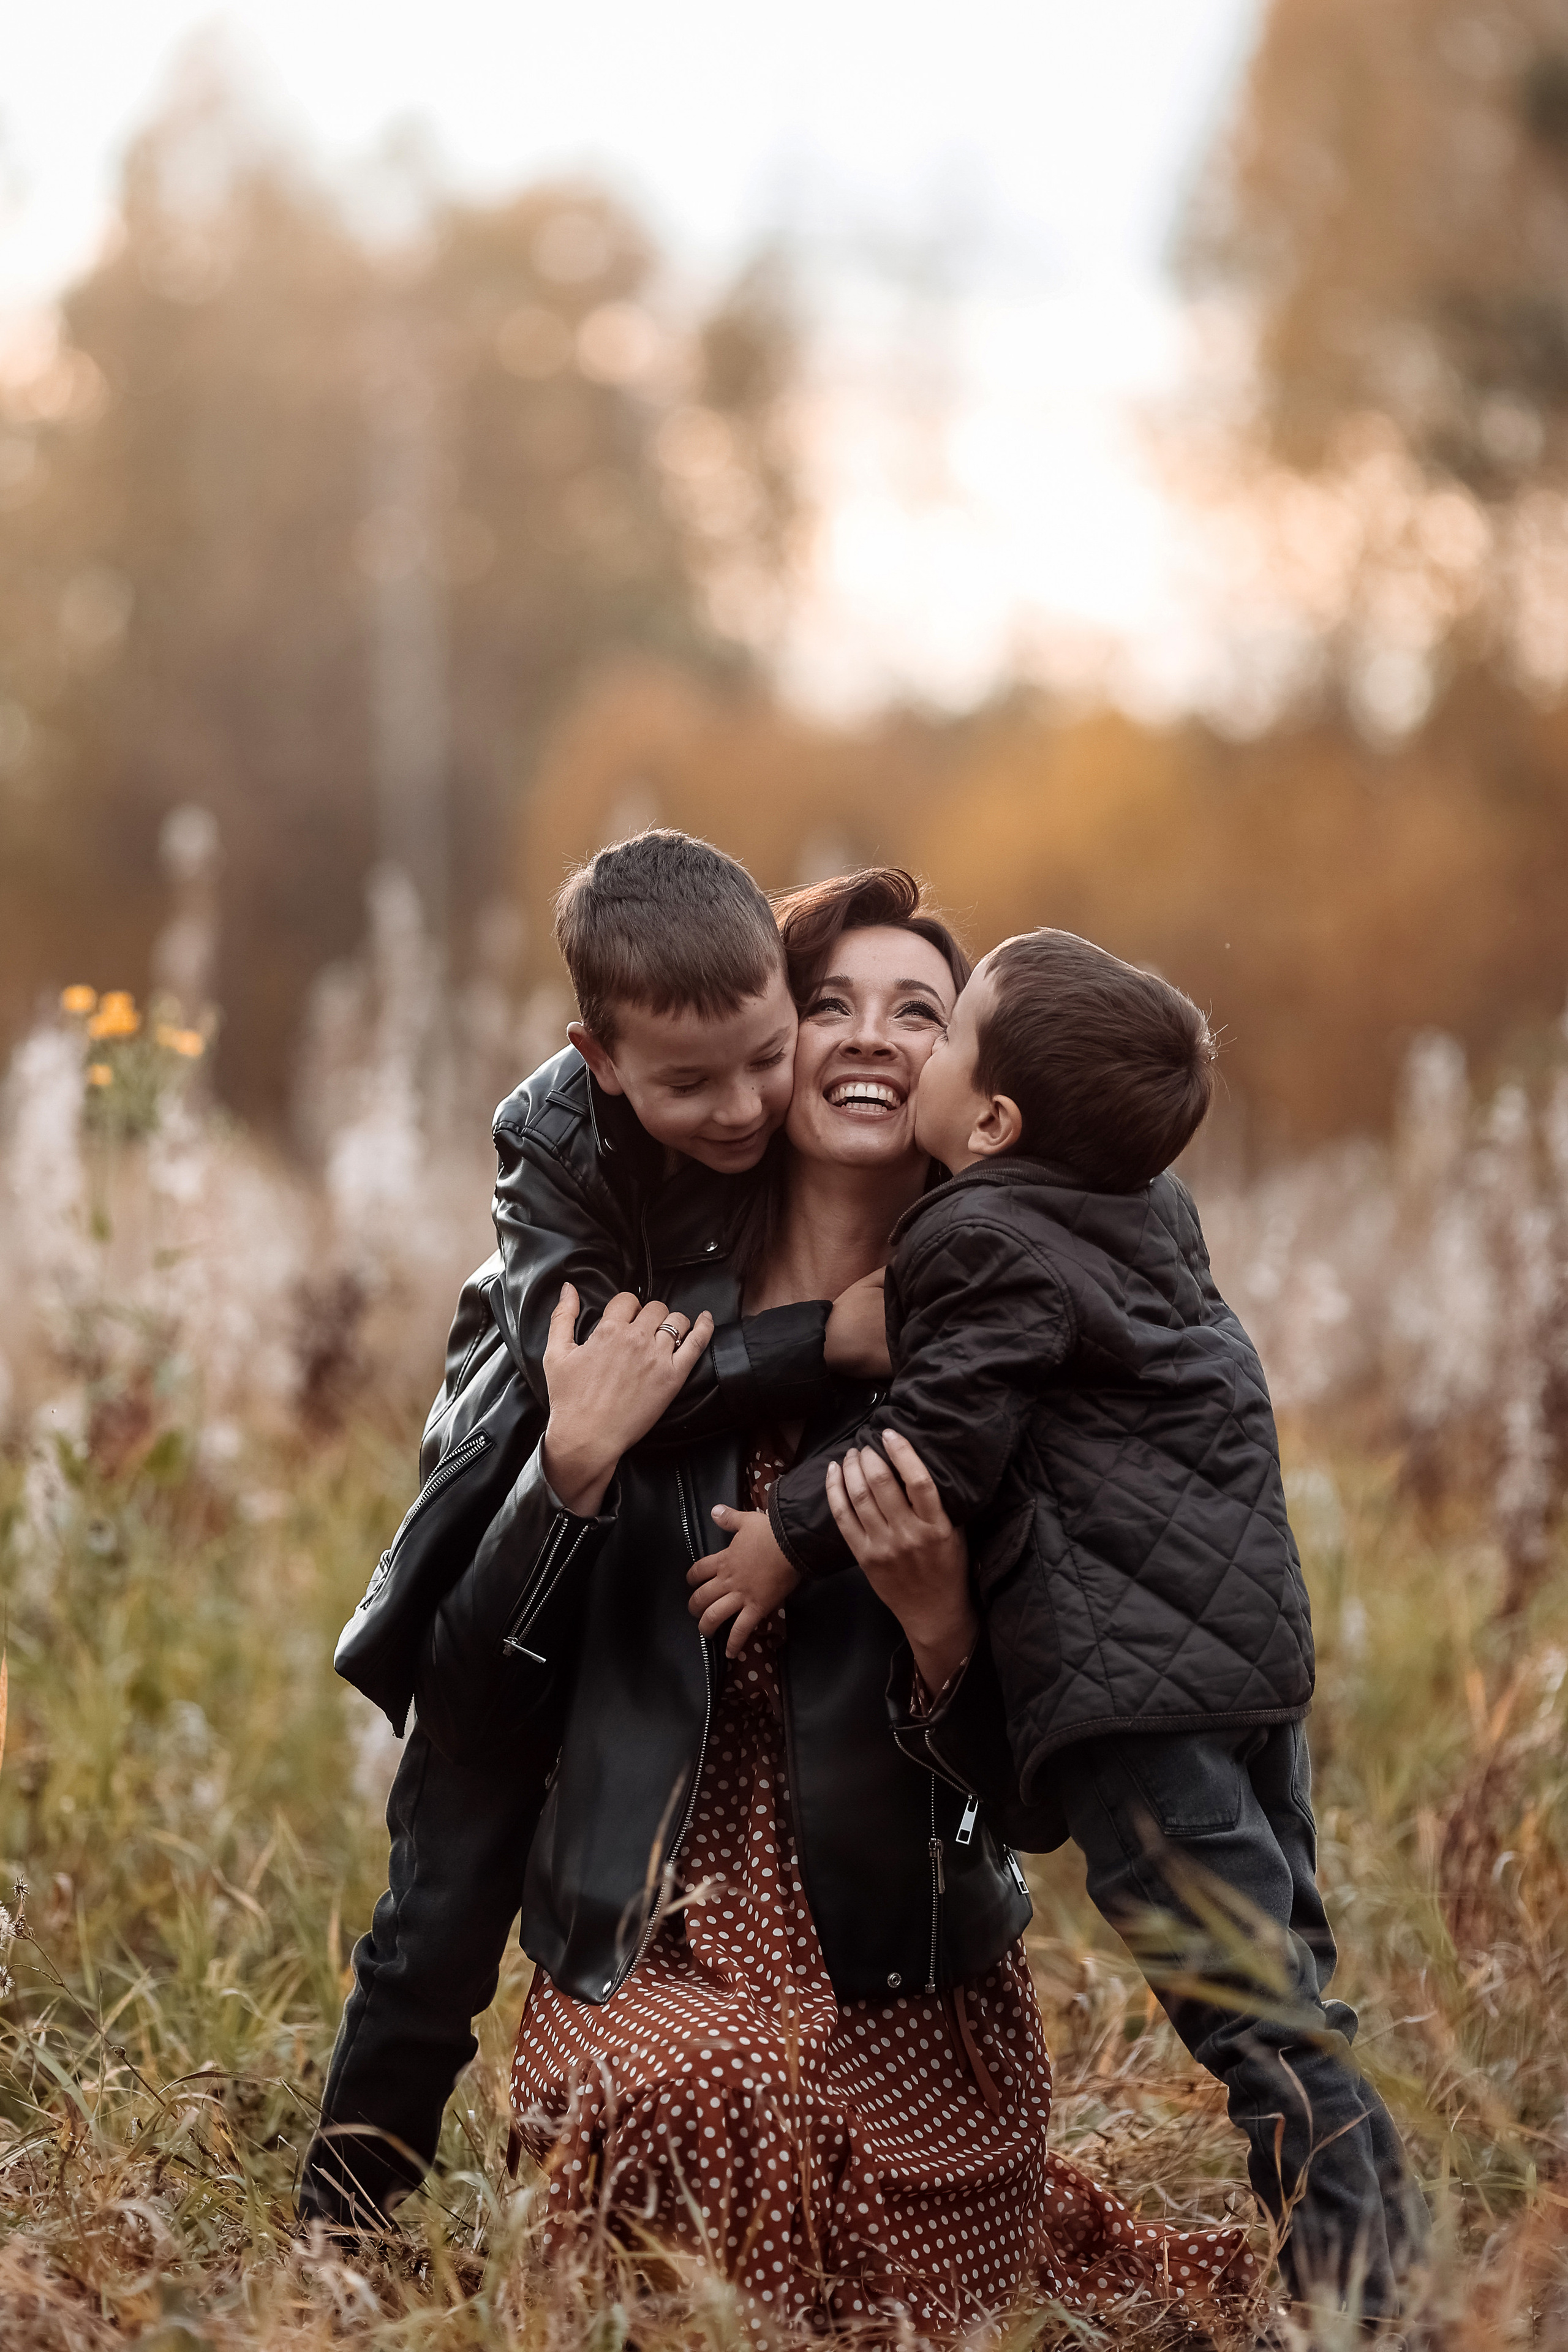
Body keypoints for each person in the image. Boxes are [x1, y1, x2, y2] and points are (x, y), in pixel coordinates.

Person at [417, 875, 1260, 2341]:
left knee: (824, 2153)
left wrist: (940, 1629)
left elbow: (1035, 1793)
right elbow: (478, 1686)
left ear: (975, 1091)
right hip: (652, 1935)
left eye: (918, 1015)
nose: (870, 1040)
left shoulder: (1007, 1356)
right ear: (768, 1042)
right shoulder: (631, 1306)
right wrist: (567, 1470)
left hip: (900, 1974)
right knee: (698, 2087)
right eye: (829, 1006)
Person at [690, 925, 1427, 2321]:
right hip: (1245, 1666)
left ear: (989, 1119)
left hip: (1131, 1698)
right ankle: (1369, 2263)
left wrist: (785, 1542)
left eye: (945, 1025)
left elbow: (939, 1441)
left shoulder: (972, 1234)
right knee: (1289, 1994)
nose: (912, 1045)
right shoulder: (1148, 1213)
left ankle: (1364, 2302)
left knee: (1245, 2013)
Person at [302, 831, 888, 2226]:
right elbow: (601, 1386)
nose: (745, 1104)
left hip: (656, 1549)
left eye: (765, 1054)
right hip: (524, 1543)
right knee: (435, 1923)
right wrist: (826, 1337)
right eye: (688, 1084)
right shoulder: (549, 1139)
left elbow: (669, 1379)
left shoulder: (787, 1096)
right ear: (602, 1056)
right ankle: (342, 2224)